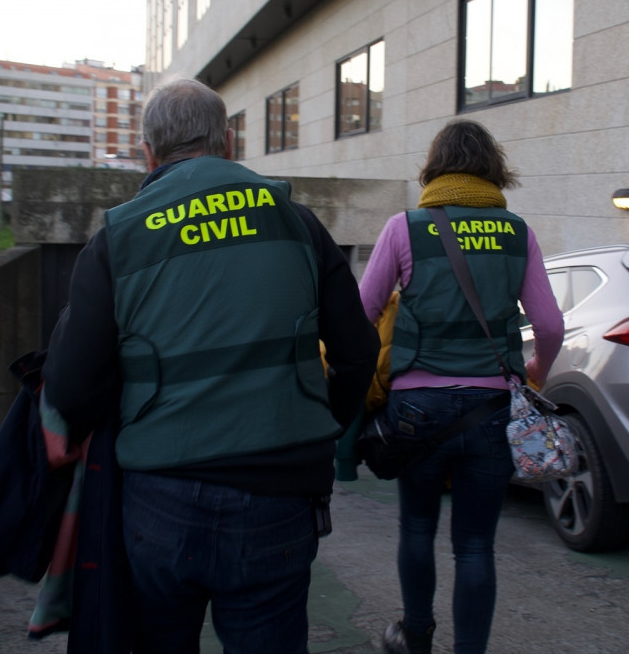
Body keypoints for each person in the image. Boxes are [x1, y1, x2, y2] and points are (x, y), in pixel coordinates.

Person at [40, 77, 379, 653]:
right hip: (280, 494)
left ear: (149, 154)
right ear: (227, 141)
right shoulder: (297, 222)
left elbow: (71, 388)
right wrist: (321, 427)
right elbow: (358, 350)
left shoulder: (117, 238)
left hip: (158, 499)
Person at [359, 119, 565, 654]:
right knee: (475, 547)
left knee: (417, 530)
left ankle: (415, 636)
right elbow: (550, 325)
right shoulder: (518, 232)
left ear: (434, 167)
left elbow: (362, 311)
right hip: (493, 410)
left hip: (415, 411)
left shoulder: (404, 228)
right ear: (493, 169)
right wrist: (536, 370)